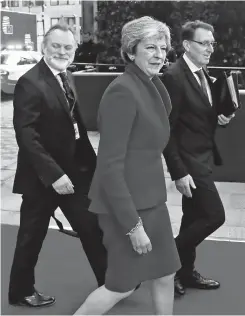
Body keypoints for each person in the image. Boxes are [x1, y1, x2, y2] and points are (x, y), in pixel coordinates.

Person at [74, 16, 181, 315]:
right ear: (131, 51)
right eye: (151, 47)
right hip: (126, 207)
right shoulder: (122, 91)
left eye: (163, 48)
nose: (160, 54)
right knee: (120, 286)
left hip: (152, 202)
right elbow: (109, 166)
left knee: (165, 273)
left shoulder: (154, 86)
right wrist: (133, 225)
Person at [8, 23, 107, 308]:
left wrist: (92, 165)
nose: (62, 51)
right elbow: (27, 136)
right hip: (44, 178)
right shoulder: (30, 82)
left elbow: (75, 126)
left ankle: (111, 281)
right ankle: (20, 292)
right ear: (44, 47)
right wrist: (54, 175)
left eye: (68, 47)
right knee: (31, 236)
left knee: (92, 227)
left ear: (74, 50)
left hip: (75, 173)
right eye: (56, 46)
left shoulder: (66, 75)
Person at [162, 20, 235, 296]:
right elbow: (167, 129)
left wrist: (221, 116)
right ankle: (167, 263)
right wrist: (178, 172)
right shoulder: (173, 76)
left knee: (191, 218)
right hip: (189, 161)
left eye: (212, 43)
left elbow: (202, 114)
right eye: (204, 43)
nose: (210, 48)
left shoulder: (203, 72)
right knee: (215, 215)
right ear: (187, 45)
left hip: (203, 155)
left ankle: (183, 273)